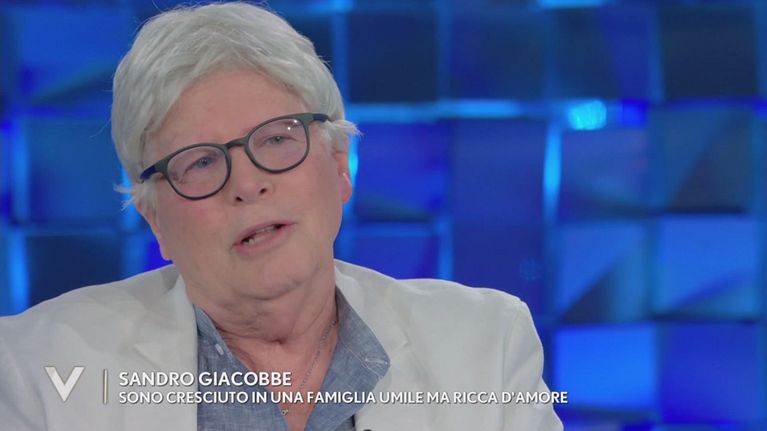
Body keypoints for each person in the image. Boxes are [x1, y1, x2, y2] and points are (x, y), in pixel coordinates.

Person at [0, 2, 563, 430]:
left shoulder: (486, 344)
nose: (247, 184)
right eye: (199, 163)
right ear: (155, 220)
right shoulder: (33, 371)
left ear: (339, 167)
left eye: (275, 138)